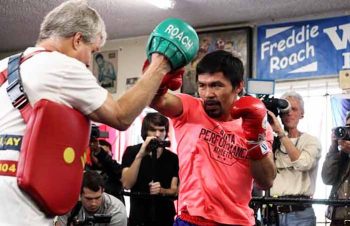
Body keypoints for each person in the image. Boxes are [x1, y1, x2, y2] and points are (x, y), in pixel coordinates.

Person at [0, 0, 182, 224]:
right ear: (77, 40)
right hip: (19, 208)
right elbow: (121, 116)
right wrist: (160, 65)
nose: (88, 62)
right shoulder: (62, 65)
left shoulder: (5, 66)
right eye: (92, 51)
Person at [150, 50, 276, 225]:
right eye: (202, 85)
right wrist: (158, 77)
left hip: (238, 221)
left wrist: (255, 139)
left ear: (238, 86)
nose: (208, 93)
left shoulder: (258, 124)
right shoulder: (190, 108)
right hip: (192, 218)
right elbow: (157, 100)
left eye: (216, 85)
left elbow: (266, 181)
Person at [267, 91, 322, 226]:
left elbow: (303, 163)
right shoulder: (271, 141)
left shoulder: (311, 141)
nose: (289, 113)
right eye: (285, 109)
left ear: (302, 114)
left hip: (300, 213)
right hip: (274, 211)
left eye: (294, 109)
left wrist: (280, 133)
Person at [121, 112, 179, 226]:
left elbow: (175, 191)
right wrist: (140, 155)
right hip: (139, 216)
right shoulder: (132, 152)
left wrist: (162, 191)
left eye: (161, 130)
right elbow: (127, 184)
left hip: (164, 217)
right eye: (153, 130)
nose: (157, 134)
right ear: (145, 131)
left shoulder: (172, 158)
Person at [56, 170, 127, 226]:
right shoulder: (69, 204)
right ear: (79, 195)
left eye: (97, 198)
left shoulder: (116, 210)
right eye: (88, 199)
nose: (93, 203)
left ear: (103, 191)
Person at [322, 112, 350, 226]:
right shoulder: (341, 155)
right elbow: (327, 179)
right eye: (348, 127)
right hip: (338, 220)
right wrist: (333, 147)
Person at [88, 138, 125, 204]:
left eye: (107, 153)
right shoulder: (87, 172)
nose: (100, 158)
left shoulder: (116, 170)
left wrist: (100, 153)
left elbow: (116, 169)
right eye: (97, 153)